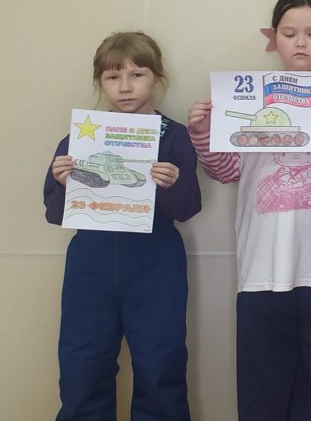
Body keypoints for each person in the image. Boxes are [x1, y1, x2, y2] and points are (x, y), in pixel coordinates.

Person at [187, 0, 311, 421]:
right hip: (261, 266)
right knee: (261, 391)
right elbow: (227, 171)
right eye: (289, 33)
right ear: (274, 38)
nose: (300, 42)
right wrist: (202, 133)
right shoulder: (247, 95)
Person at [44, 31, 201, 421]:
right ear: (100, 82)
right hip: (91, 261)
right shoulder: (81, 138)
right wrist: (62, 182)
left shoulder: (175, 137)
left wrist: (171, 184)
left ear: (158, 78)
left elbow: (188, 207)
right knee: (82, 363)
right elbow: (54, 213)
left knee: (161, 361)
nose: (125, 87)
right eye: (113, 77)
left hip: (155, 260)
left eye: (137, 75)